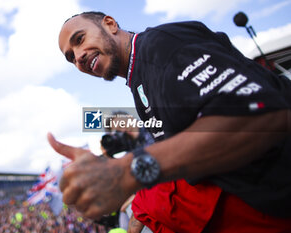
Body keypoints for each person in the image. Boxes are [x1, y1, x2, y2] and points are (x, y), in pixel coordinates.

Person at [48, 11, 291, 228]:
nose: (78, 56)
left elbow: (258, 114)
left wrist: (127, 172)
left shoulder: (162, 44)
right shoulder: (138, 81)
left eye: (80, 40)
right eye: (71, 57)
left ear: (110, 24)